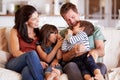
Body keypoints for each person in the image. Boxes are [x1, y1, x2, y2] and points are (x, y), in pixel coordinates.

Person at [60, 2, 107, 80]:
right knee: (71, 66)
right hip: (75, 64)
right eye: (67, 20)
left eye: (73, 17)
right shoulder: (65, 33)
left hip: (92, 63)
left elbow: (101, 51)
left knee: (101, 66)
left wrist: (94, 52)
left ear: (78, 13)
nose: (71, 21)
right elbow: (63, 58)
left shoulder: (94, 29)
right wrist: (73, 52)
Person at [5, 5, 48, 80]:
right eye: (34, 19)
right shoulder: (15, 31)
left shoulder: (39, 33)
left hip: (30, 65)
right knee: (31, 54)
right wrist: (36, 61)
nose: (38, 20)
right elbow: (15, 52)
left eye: (38, 16)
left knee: (27, 71)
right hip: (15, 62)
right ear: (25, 21)